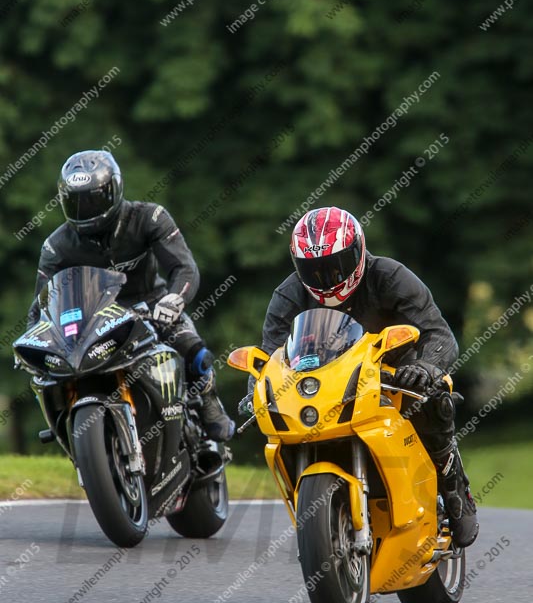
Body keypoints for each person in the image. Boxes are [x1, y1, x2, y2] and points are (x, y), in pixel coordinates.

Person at [242, 206, 478, 547]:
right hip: (323, 384)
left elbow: (438, 333)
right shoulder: (289, 293)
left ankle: (453, 484)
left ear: (358, 252)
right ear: (298, 267)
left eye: (335, 265)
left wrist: (426, 368)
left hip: (395, 373)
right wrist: (256, 391)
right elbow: (270, 356)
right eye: (314, 269)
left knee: (435, 401)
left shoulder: (390, 275)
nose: (326, 276)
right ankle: (320, 519)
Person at [27, 149, 234, 442]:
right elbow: (40, 304)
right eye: (76, 201)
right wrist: (34, 344)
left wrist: (174, 300)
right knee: (51, 378)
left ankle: (210, 403)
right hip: (92, 321)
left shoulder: (149, 217)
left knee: (195, 352)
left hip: (152, 305)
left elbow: (184, 268)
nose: (85, 208)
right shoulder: (56, 246)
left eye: (93, 199)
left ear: (114, 190)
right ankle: (72, 432)